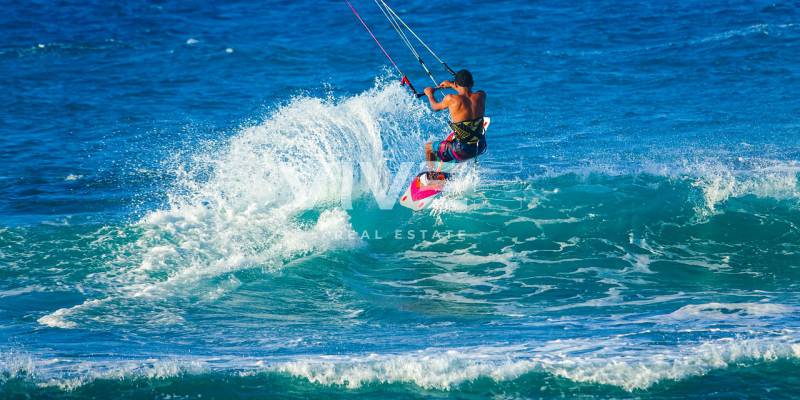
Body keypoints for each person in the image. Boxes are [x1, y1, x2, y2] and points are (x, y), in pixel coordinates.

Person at [423, 69, 487, 174]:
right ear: (472, 83)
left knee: (429, 147)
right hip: (480, 147)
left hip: (461, 150)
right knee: (456, 137)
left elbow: (435, 107)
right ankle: (448, 164)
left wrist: (429, 94)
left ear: (456, 84)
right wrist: (452, 85)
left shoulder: (451, 98)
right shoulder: (481, 95)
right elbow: (466, 93)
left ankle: (432, 176)